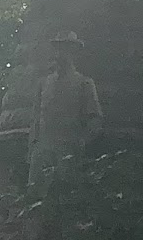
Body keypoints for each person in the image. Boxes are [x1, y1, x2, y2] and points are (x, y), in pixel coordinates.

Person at [28, 32, 103, 188]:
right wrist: (34, 147)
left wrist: (80, 143)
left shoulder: (84, 83)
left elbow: (94, 120)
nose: (60, 54)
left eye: (65, 49)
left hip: (68, 152)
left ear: (73, 52)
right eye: (57, 48)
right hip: (43, 153)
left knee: (64, 194)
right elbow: (35, 118)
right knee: (36, 196)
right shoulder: (43, 84)